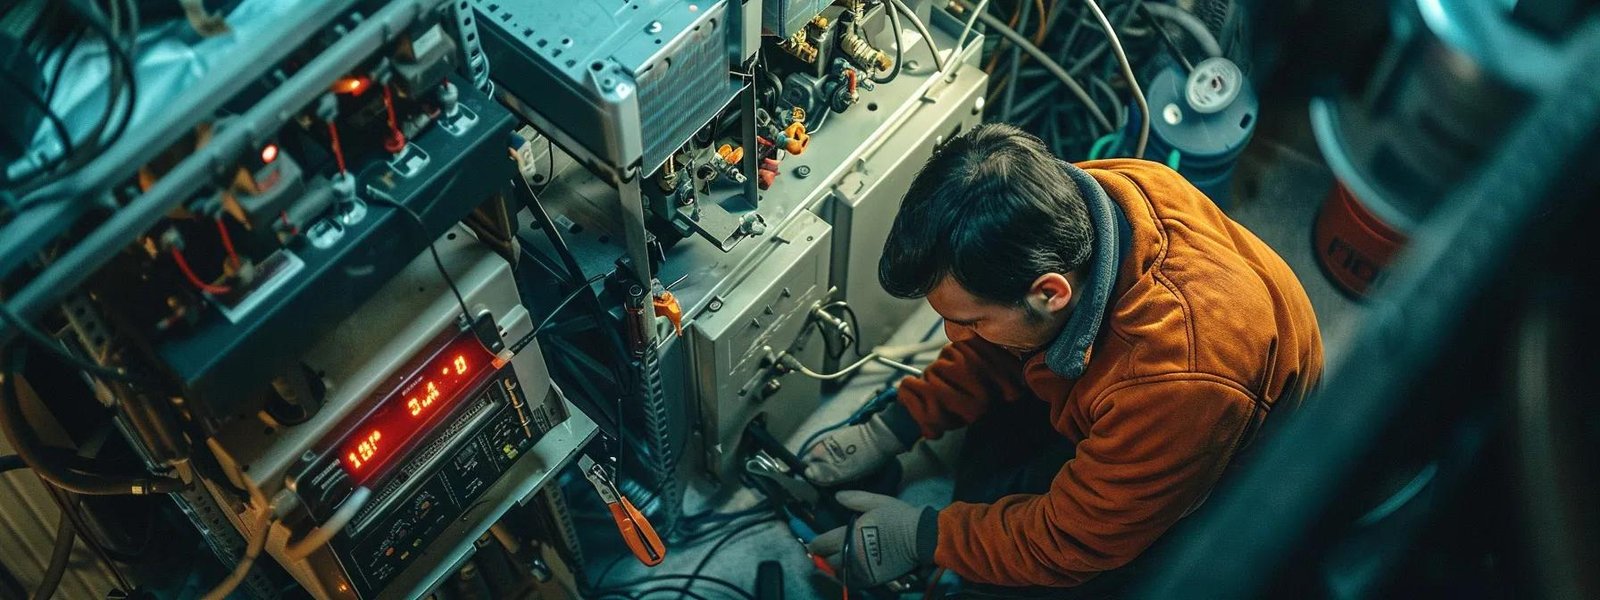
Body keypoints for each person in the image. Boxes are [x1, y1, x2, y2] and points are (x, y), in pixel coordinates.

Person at [803, 123, 1324, 592]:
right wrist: (898, 422)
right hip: (1146, 390)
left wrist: (924, 537)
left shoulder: (1177, 378)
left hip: (1212, 456)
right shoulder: (1077, 201)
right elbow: (995, 345)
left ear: (1051, 293)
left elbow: (1070, 542)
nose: (954, 337)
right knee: (987, 470)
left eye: (972, 320)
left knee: (1023, 574)